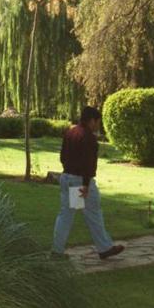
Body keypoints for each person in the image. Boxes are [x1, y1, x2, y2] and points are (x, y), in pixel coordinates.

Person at [52, 106, 124, 260]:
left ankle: (57, 251)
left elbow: (63, 156)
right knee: (93, 213)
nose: (98, 125)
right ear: (92, 120)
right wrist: (85, 185)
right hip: (80, 182)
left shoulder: (70, 132)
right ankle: (104, 248)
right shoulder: (88, 138)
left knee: (66, 215)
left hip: (67, 177)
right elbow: (88, 163)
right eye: (97, 122)